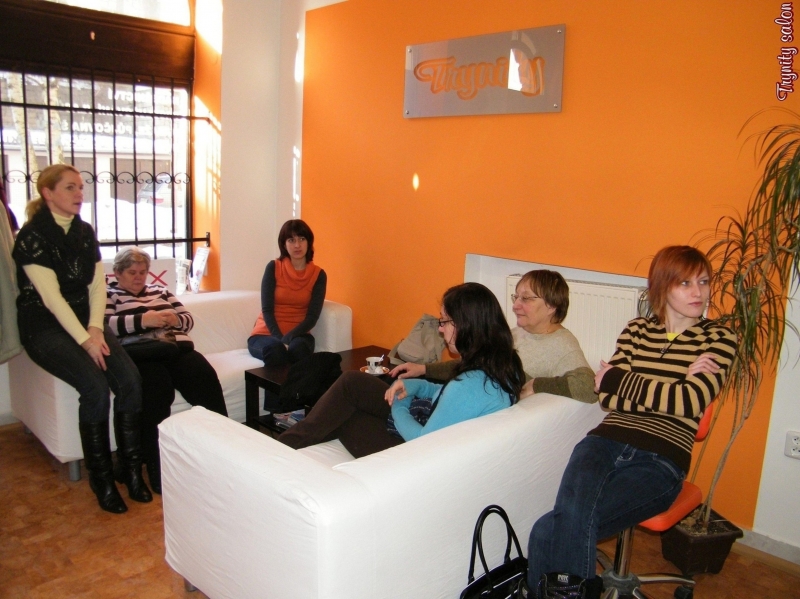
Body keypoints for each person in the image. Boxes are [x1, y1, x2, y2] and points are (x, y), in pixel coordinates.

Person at [520, 246, 738, 599]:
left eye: (703, 281)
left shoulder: (719, 338)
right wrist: (669, 387)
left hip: (662, 458)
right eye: (685, 283)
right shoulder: (637, 330)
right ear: (662, 286)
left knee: (549, 529)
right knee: (558, 525)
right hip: (603, 441)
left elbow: (690, 401)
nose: (698, 292)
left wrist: (620, 379)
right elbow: (607, 397)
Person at [12, 164, 150, 514]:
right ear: (48, 193)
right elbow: (52, 299)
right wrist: (86, 341)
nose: (79, 194)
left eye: (81, 187)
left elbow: (97, 286)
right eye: (70, 187)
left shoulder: (84, 232)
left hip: (85, 322)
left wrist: (95, 328)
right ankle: (101, 480)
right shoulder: (31, 237)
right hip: (44, 326)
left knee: (130, 381)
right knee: (94, 387)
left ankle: (130, 471)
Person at [278, 282, 525, 457]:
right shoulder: (504, 364)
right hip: (427, 418)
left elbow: (423, 442)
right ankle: (285, 448)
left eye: (444, 321)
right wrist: (415, 385)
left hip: (414, 455)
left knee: (343, 415)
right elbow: (448, 397)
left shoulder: (469, 386)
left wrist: (400, 405)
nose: (440, 329)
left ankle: (280, 454)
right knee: (352, 382)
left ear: (466, 325)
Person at [105, 246, 229, 494]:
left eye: (143, 272)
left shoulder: (160, 290)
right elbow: (106, 325)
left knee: (204, 376)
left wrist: (175, 320)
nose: (139, 277)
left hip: (176, 349)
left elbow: (188, 320)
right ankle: (156, 464)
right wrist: (144, 321)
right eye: (132, 273)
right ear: (117, 273)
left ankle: (223, 449)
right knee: (156, 388)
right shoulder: (110, 295)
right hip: (143, 354)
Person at [391, 270, 596, 403]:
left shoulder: (562, 344)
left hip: (481, 407)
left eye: (526, 299)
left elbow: (589, 387)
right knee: (387, 389)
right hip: (473, 396)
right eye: (516, 297)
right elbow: (477, 363)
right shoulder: (519, 333)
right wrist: (424, 369)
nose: (515, 306)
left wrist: (536, 384)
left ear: (552, 306)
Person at [248, 219, 327, 368]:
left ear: (309, 242)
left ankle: (298, 385)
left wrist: (288, 338)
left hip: (299, 335)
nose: (297, 245)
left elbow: (312, 317)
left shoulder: (318, 275)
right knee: (276, 351)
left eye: (301, 239)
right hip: (265, 334)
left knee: (299, 350)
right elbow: (267, 310)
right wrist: (280, 339)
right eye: (291, 240)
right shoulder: (273, 267)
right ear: (284, 244)